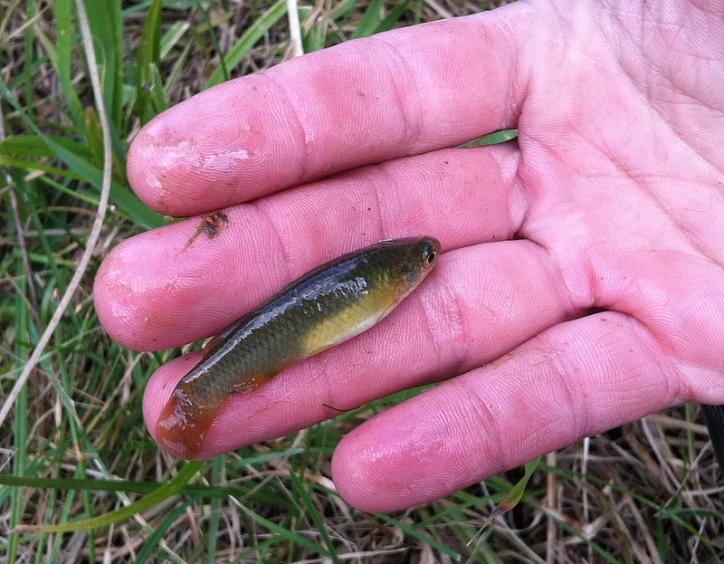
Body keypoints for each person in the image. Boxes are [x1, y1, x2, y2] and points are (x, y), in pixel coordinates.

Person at [93, 0, 724, 512]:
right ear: (401, 275)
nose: (432, 259)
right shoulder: (388, 277)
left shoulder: (393, 277)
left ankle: (201, 394)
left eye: (426, 258)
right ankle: (199, 395)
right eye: (424, 259)